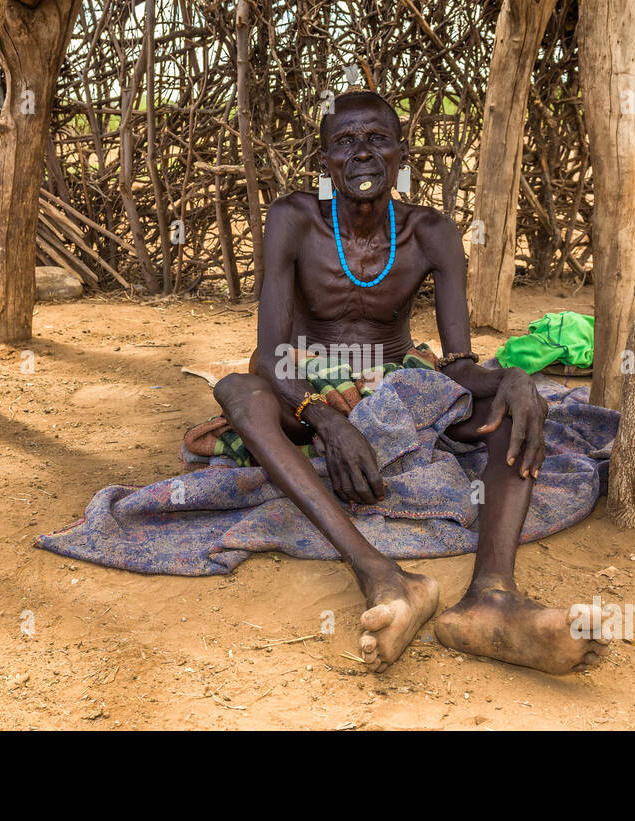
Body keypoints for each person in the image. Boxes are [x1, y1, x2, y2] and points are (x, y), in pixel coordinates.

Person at [212, 91, 606, 674]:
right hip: (307, 383)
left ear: (400, 155)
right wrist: (325, 419)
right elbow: (270, 358)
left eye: (376, 139)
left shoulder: (431, 232)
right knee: (237, 391)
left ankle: (491, 598)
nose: (362, 154)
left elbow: (457, 363)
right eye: (344, 142)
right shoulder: (293, 219)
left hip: (399, 385)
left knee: (515, 404)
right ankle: (384, 576)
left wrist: (513, 377)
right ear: (323, 161)